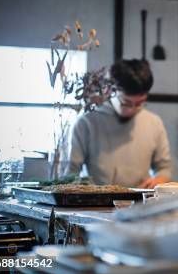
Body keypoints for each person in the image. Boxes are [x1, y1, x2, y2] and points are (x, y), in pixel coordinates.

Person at [65, 59, 172, 188]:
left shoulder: (154, 123)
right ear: (110, 91)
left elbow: (164, 168)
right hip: (97, 204)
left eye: (139, 103)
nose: (133, 109)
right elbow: (71, 173)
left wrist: (159, 179)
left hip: (140, 203)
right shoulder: (87, 123)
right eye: (126, 103)